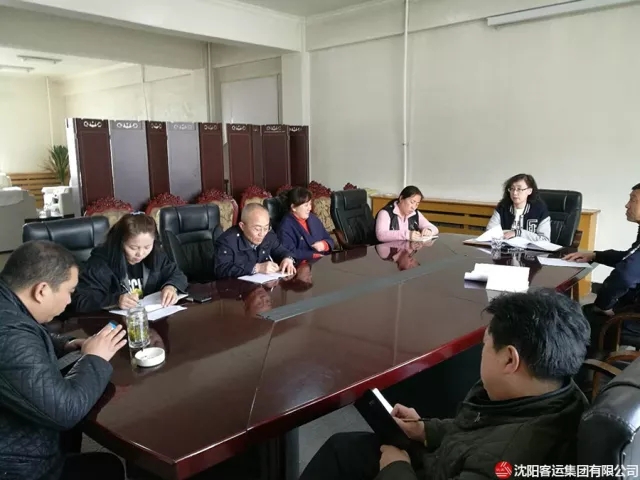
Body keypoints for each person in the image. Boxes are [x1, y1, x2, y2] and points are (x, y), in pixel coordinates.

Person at [299, 289, 590, 480]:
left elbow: (488, 447)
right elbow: (480, 433)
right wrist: (425, 429)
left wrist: (396, 468)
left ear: (509, 360)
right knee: (343, 447)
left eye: (485, 345)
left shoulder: (506, 462)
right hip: (445, 460)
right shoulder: (557, 393)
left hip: (432, 471)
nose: (482, 352)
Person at [0, 240, 128, 480]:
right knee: (107, 467)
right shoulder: (8, 334)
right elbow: (64, 411)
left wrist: (67, 344)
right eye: (69, 291)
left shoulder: (7, 302)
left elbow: (31, 333)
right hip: (17, 467)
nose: (70, 301)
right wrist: (95, 358)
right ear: (42, 290)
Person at [565, 182, 640, 350]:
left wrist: (603, 305)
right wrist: (595, 255)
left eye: (633, 199)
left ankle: (589, 365)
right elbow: (629, 257)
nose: (627, 205)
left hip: (635, 318)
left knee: (581, 318)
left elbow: (625, 275)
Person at [72, 213, 188, 313]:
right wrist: (115, 300)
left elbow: (177, 275)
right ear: (120, 242)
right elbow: (81, 300)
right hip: (114, 324)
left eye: (147, 247)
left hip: (151, 317)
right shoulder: (101, 263)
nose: (140, 253)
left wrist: (171, 287)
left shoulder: (156, 255)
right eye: (133, 248)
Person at [214, 203, 296, 279]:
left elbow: (281, 250)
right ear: (242, 226)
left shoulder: (269, 234)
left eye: (266, 228)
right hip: (236, 288)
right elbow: (221, 269)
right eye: (257, 229)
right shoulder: (227, 241)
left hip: (263, 285)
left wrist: (288, 258)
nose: (262, 234)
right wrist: (257, 268)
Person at [486, 173, 551, 241]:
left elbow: (545, 240)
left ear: (529, 191)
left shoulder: (539, 210)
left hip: (529, 248)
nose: (514, 193)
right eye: (512, 188)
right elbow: (489, 232)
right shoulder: (502, 207)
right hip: (505, 247)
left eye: (519, 189)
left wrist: (518, 233)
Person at [277, 187, 334, 262]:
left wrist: (324, 245)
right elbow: (289, 252)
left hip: (323, 261)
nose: (310, 208)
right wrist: (313, 255)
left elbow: (329, 239)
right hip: (302, 264)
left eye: (310, 204)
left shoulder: (313, 218)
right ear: (293, 207)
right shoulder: (285, 226)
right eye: (306, 205)